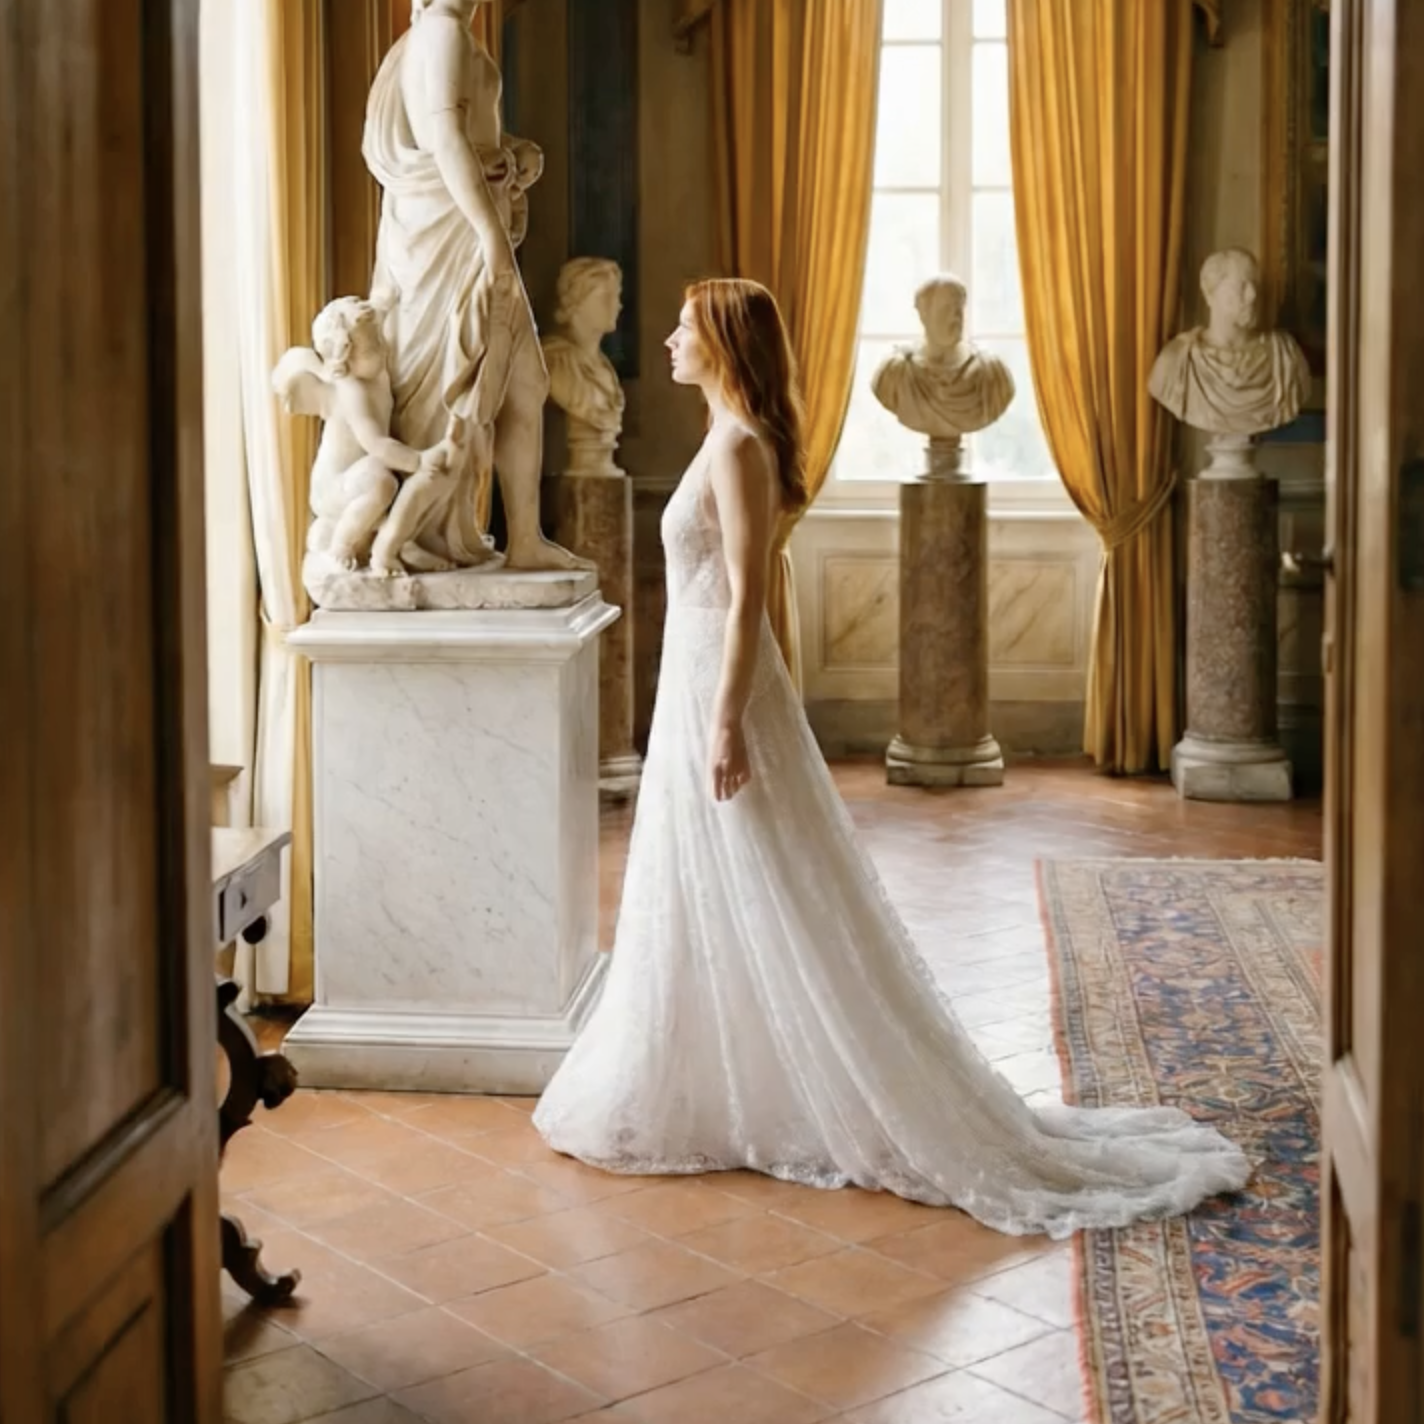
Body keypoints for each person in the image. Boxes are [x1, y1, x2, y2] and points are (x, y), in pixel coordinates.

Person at [532, 278, 1251, 1238]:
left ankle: (815, 1071)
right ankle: (710, 1070)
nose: (666, 339)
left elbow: (747, 597)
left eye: (683, 327)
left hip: (722, 687)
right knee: (703, 875)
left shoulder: (741, 448)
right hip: (695, 682)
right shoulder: (719, 435)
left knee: (769, 871)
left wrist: (725, 720)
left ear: (725, 344)